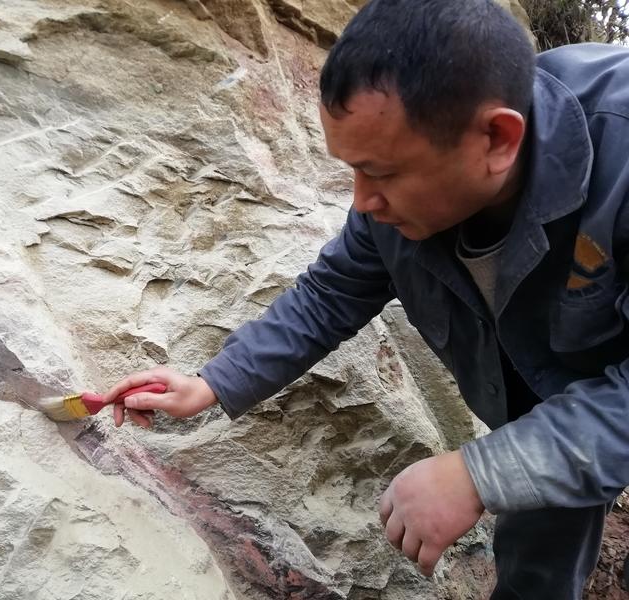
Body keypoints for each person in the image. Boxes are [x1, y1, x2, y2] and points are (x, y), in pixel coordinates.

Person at [103, 0, 629, 597]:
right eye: (353, 170)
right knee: (540, 532)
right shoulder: (397, 201)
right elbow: (331, 293)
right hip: (544, 396)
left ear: (497, 138)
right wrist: (210, 384)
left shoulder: (620, 154)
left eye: (381, 173)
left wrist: (478, 473)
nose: (362, 202)